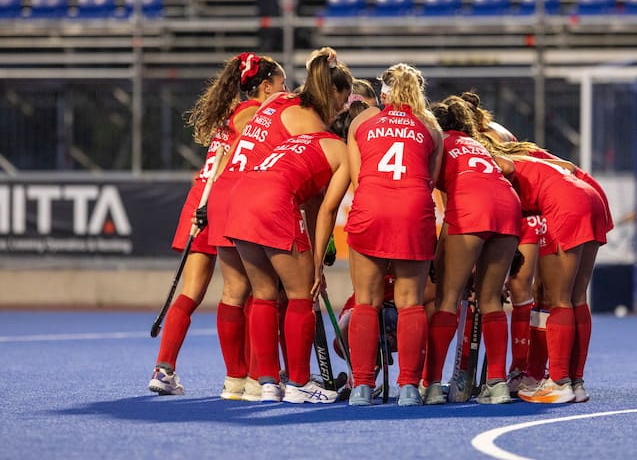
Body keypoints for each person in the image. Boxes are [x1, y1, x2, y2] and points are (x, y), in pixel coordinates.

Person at [208, 46, 353, 402]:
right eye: (344, 98)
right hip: (269, 198)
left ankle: (258, 381)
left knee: (253, 293)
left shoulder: (277, 100)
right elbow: (319, 206)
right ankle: (299, 383)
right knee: (299, 292)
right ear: (332, 93)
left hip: (233, 191)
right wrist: (316, 261)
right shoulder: (321, 132)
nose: (343, 106)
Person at [148, 52, 285, 397]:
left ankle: (164, 369)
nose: (286, 92)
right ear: (266, 87)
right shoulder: (254, 114)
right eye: (282, 85)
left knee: (192, 291)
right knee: (249, 289)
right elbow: (235, 163)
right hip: (220, 201)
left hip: (202, 197)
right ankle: (251, 375)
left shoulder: (231, 114)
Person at [344, 63, 443, 406]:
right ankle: (409, 388)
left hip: (371, 205)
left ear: (383, 94)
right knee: (411, 303)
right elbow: (430, 182)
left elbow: (357, 179)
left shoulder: (362, 121)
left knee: (365, 301)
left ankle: (361, 387)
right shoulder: (431, 128)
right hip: (413, 209)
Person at [485, 143, 609, 404]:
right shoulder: (527, 156)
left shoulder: (493, 162)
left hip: (565, 202)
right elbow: (569, 167)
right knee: (576, 296)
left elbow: (506, 170)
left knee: (558, 298)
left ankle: (559, 383)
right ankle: (575, 383)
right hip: (591, 195)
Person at [420, 97, 522, 405]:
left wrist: (438, 257)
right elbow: (509, 167)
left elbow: (447, 209)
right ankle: (497, 384)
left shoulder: (437, 143)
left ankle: (432, 385)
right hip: (508, 205)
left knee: (448, 298)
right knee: (490, 299)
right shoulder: (476, 143)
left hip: (471, 207)